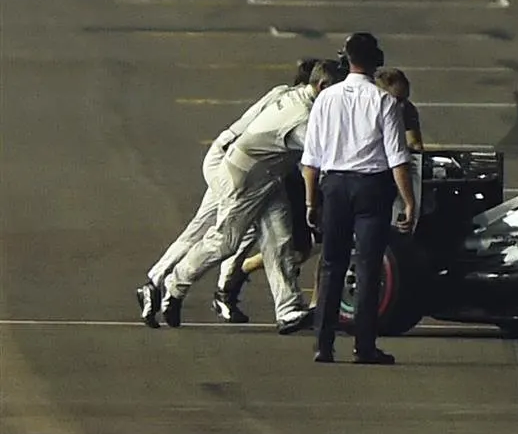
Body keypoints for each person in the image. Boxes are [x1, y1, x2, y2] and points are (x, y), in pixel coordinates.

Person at [159, 60, 342, 333]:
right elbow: (323, 157)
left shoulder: (290, 94)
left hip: (268, 178)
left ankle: (289, 310)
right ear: (323, 86)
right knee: (224, 242)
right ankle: (175, 285)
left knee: (280, 241)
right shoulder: (302, 119)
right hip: (245, 178)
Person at [302, 33, 417, 366]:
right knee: (368, 268)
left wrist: (311, 202)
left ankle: (323, 344)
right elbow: (398, 158)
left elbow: (312, 157)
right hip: (372, 188)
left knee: (331, 265)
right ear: (376, 60)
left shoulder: (326, 99)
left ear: (346, 59)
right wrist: (408, 201)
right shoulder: (385, 102)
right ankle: (364, 345)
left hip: (334, 186)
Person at [374, 67, 425, 154]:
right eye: (397, 100)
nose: (401, 105)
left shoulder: (407, 108)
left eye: (405, 99)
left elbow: (414, 143)